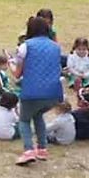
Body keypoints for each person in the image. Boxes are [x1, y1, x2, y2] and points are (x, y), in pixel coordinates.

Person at [12, 15, 64, 165]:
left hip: (32, 92)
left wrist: (10, 64)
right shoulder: (56, 47)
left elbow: (17, 73)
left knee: (24, 120)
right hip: (53, 93)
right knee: (38, 115)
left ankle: (28, 150)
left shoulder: (25, 46)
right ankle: (42, 148)